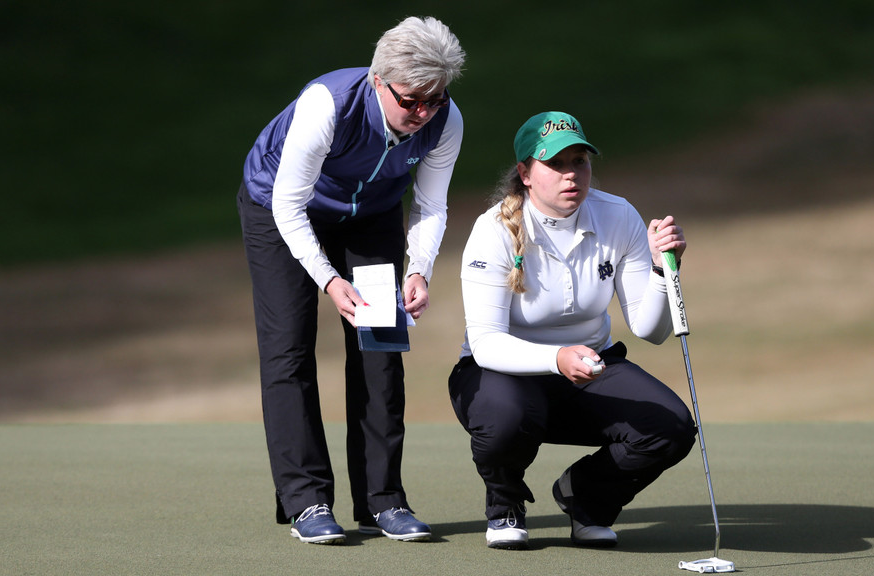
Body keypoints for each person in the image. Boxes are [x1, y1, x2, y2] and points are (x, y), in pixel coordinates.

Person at [237, 16, 465, 545]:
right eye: (411, 100)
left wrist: (418, 270)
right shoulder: (328, 104)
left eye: (435, 98)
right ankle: (307, 500)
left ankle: (383, 499)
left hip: (372, 212)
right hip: (283, 208)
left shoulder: (445, 118)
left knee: (380, 344)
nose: (424, 112)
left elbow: (431, 204)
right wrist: (330, 282)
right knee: (289, 349)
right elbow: (288, 206)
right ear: (378, 79)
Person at [448, 111, 698, 550]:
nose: (571, 175)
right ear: (525, 173)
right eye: (555, 164)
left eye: (579, 161)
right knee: (505, 417)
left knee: (671, 427)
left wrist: (662, 271)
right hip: (500, 374)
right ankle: (505, 503)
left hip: (590, 369)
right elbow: (486, 344)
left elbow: (650, 330)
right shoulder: (493, 231)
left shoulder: (618, 216)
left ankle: (587, 499)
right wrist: (556, 358)